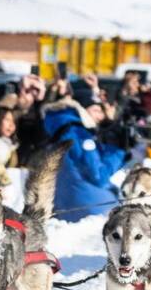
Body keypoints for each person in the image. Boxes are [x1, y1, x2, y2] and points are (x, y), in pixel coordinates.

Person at [43, 89, 127, 222]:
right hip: (83, 208)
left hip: (68, 203)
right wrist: (118, 151)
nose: (100, 117)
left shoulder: (64, 129)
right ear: (82, 109)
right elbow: (98, 176)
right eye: (96, 110)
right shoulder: (77, 134)